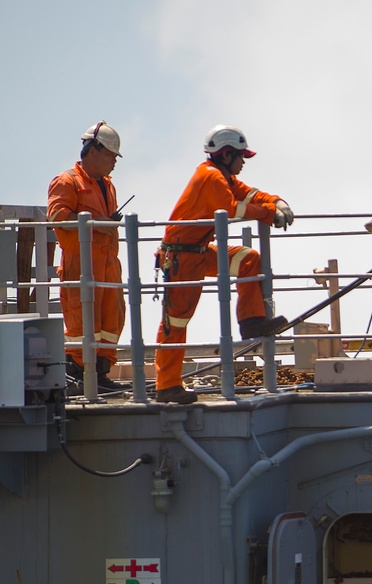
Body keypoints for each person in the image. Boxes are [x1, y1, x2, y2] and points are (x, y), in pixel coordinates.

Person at [154, 124, 293, 404]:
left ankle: (251, 322)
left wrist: (277, 201)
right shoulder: (212, 178)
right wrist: (269, 214)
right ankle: (166, 386)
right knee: (176, 322)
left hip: (198, 251)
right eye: (241, 156)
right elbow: (233, 209)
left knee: (248, 259)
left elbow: (249, 194)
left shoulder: (221, 176)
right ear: (227, 154)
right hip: (182, 258)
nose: (243, 162)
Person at [47, 121, 128, 392]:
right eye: (110, 155)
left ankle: (100, 375)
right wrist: (98, 221)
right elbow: (58, 216)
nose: (114, 161)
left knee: (110, 321)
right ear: (93, 150)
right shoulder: (67, 181)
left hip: (108, 268)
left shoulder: (107, 186)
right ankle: (80, 374)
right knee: (84, 323)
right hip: (81, 267)